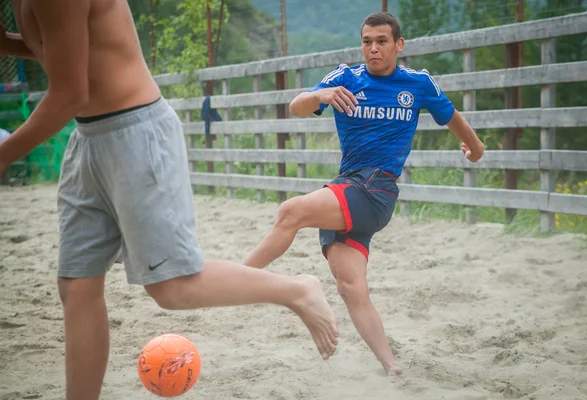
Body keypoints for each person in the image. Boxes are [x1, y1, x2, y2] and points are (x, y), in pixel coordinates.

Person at [0, 2, 338, 399]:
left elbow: (71, 92)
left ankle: (296, 289)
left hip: (136, 133)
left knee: (173, 288)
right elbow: (57, 45)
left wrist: (4, 156)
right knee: (77, 285)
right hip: (87, 138)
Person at [243, 12, 485, 376]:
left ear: (398, 45)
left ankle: (234, 280)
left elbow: (452, 117)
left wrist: (476, 150)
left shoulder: (417, 84)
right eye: (367, 41)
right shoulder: (345, 78)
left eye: (382, 42)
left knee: (291, 212)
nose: (373, 49)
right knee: (350, 287)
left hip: (376, 189)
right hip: (350, 187)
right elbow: (296, 107)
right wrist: (320, 94)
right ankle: (392, 367)